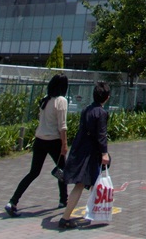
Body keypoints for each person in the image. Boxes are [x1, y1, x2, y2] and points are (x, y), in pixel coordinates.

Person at [5, 73, 69, 217]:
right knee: (62, 170)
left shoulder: (45, 100)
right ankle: (63, 200)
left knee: (33, 172)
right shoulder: (61, 101)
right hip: (54, 140)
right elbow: (62, 126)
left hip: (39, 140)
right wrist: (64, 145)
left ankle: (13, 201)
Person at [58, 81, 111, 229]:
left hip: (80, 149)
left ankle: (67, 216)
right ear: (107, 97)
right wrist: (105, 153)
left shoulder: (87, 110)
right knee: (91, 183)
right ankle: (94, 212)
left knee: (82, 184)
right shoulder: (101, 113)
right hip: (91, 153)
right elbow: (101, 135)